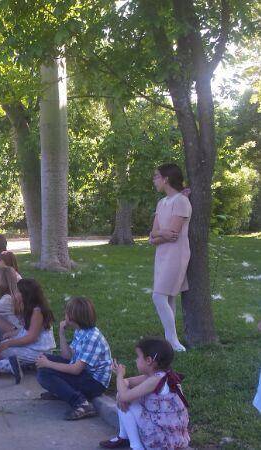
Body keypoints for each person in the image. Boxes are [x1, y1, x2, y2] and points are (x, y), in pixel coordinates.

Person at [100, 338, 190, 450]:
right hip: (167, 431)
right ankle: (123, 437)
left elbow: (125, 396)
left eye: (138, 357)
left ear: (148, 360)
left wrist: (119, 376)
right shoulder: (160, 375)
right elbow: (130, 381)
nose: (136, 360)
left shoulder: (155, 380)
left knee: (124, 398)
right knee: (122, 395)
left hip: (161, 438)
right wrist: (124, 382)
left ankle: (136, 446)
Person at [35, 297, 112, 420]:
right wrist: (61, 333)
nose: (64, 315)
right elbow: (67, 356)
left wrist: (48, 364)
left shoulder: (92, 337)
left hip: (94, 383)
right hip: (84, 374)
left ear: (72, 317)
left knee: (44, 373)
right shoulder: (80, 331)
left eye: (66, 313)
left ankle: (81, 403)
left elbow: (75, 370)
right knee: (45, 358)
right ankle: (62, 391)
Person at [149, 163, 191, 352]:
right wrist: (161, 234)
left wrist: (160, 234)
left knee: (158, 296)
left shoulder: (181, 201)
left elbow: (174, 232)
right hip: (162, 254)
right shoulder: (162, 203)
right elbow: (152, 236)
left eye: (156, 176)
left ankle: (172, 340)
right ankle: (170, 341)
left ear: (166, 179)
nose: (154, 180)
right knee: (168, 297)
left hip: (176, 254)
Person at [0, 278, 56, 365]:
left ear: (26, 294)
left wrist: (8, 343)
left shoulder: (37, 311)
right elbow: (27, 329)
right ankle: (15, 363)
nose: (15, 294)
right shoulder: (29, 308)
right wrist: (12, 334)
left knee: (1, 351)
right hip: (32, 346)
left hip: (39, 351)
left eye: (17, 292)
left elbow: (31, 337)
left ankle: (19, 365)